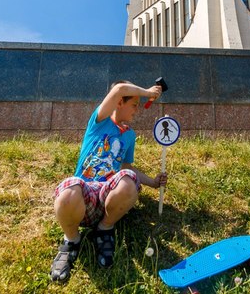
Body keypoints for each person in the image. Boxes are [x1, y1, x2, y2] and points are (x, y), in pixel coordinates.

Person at [50, 80, 168, 283]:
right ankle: (71, 240)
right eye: (134, 105)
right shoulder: (99, 121)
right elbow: (120, 89)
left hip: (107, 197)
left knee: (128, 180)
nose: (137, 110)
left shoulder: (129, 135)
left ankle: (105, 229)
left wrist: (153, 182)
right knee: (70, 189)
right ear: (119, 102)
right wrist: (148, 93)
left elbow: (127, 167)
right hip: (84, 196)